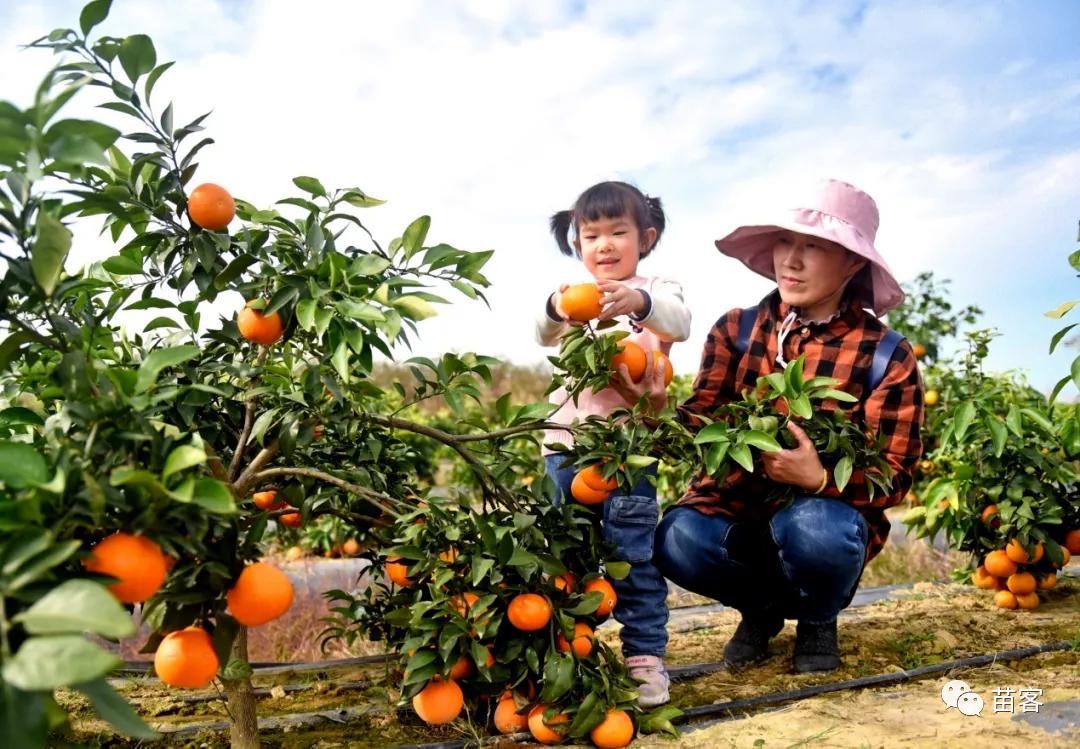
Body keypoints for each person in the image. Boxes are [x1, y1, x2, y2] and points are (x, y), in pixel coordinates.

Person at [616, 178, 923, 673]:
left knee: (815, 529)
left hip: (821, 517)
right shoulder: (736, 330)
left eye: (814, 247)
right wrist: (655, 411)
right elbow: (702, 423)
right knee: (677, 538)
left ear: (852, 263)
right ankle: (762, 608)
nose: (791, 261)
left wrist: (819, 479)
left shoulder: (885, 354)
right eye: (785, 242)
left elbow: (895, 473)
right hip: (737, 511)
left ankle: (817, 616)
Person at [537, 180, 691, 706]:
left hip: (626, 454)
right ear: (577, 244)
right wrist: (556, 307)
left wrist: (640, 302)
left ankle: (644, 657)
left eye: (618, 232)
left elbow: (679, 322)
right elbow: (540, 331)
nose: (604, 245)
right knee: (565, 557)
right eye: (591, 235)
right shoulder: (571, 298)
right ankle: (569, 653)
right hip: (564, 449)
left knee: (634, 556)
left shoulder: (658, 289)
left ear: (645, 238)